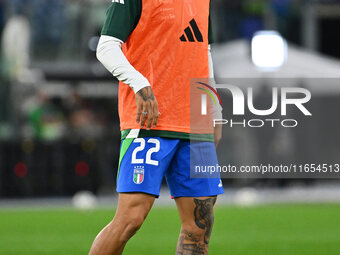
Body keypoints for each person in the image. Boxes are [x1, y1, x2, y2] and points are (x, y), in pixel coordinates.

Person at [89, 0, 223, 254]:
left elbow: (203, 51)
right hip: (150, 119)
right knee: (131, 219)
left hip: (194, 120)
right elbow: (106, 47)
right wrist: (139, 83)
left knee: (199, 225)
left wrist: (214, 109)